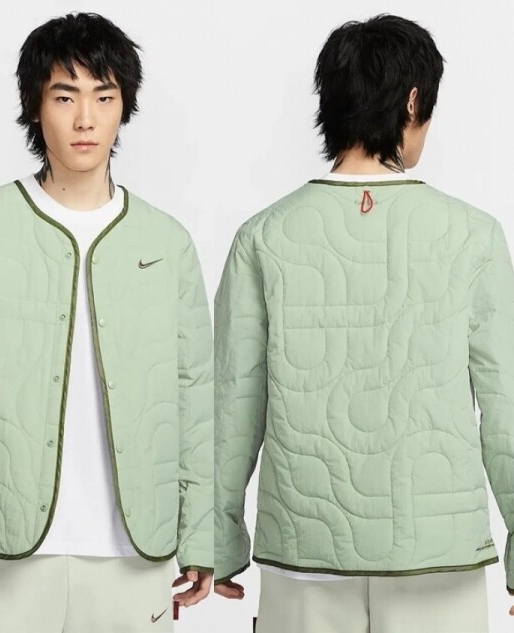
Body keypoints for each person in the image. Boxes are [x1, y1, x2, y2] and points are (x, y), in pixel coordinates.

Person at [213, 13, 514, 633]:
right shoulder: (475, 236)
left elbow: (231, 405)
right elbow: (506, 406)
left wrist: (215, 543)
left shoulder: (263, 236)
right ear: (413, 101)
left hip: (303, 556)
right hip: (437, 558)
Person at [0, 12, 213, 633]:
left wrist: (204, 535)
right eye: (65, 96)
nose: (85, 119)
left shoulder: (167, 241)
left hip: (137, 551)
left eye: (104, 97)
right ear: (35, 105)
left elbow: (195, 397)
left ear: (124, 107)